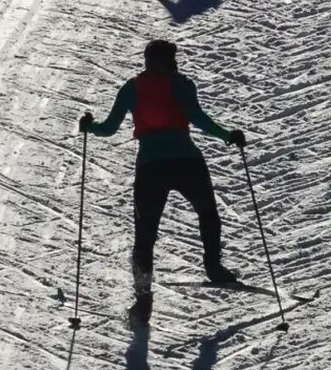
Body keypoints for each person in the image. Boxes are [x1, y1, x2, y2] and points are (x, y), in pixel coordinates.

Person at [80, 38, 247, 319]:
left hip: (150, 167)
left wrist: (90, 127)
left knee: (145, 233)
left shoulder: (131, 88)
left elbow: (109, 129)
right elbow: (198, 118)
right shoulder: (180, 84)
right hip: (186, 161)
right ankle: (214, 268)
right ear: (171, 61)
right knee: (207, 212)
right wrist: (228, 136)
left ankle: (142, 295)